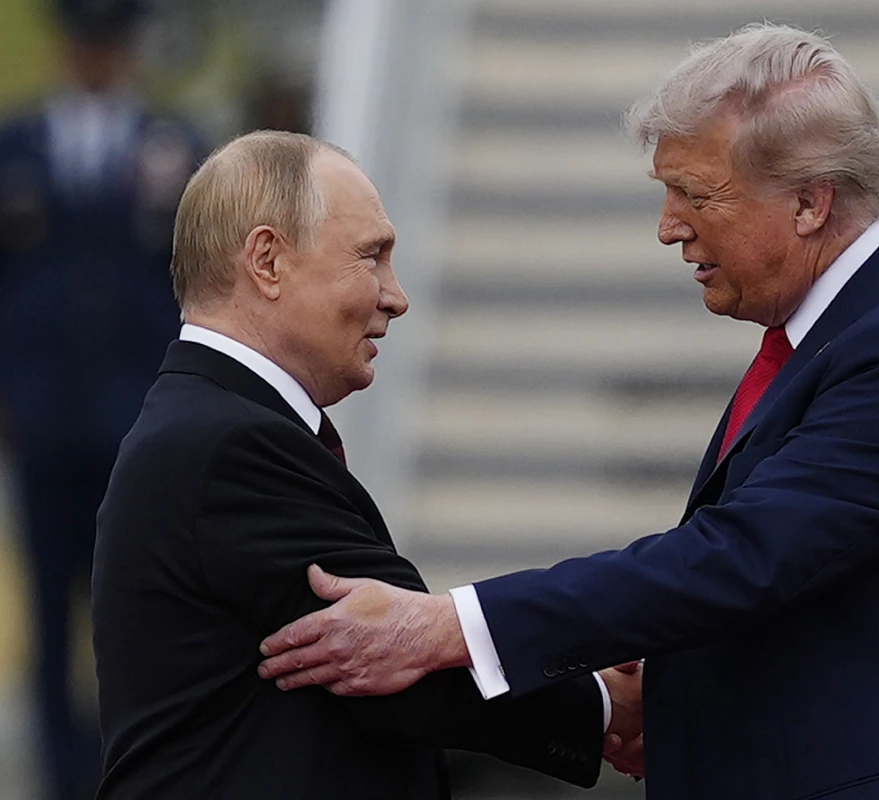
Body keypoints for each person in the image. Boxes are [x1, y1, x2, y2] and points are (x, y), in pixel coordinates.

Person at [259, 24, 879, 800]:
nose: (668, 229)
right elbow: (819, 580)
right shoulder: (857, 322)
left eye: (695, 193)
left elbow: (742, 556)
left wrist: (449, 626)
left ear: (810, 203)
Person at [91, 131, 640, 799]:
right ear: (267, 260)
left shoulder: (210, 425)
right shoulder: (231, 446)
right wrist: (607, 706)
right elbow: (398, 663)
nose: (396, 296)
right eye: (371, 257)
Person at [0, 1, 204, 797]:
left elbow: (194, 278)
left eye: (109, 43)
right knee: (49, 604)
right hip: (44, 409)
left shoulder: (173, 143)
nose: (97, 58)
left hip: (135, 412)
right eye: (86, 42)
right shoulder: (18, 144)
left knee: (131, 601)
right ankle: (60, 773)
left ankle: (129, 767)